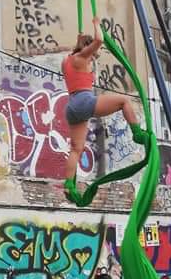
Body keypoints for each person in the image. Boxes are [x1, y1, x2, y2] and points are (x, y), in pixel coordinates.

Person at [62, 17, 148, 192]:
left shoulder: (67, 61)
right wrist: (96, 24)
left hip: (71, 107)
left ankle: (69, 184)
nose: (93, 58)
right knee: (124, 101)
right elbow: (99, 40)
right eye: (93, 55)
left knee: (76, 149)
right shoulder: (82, 57)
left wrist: (79, 42)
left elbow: (79, 53)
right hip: (84, 101)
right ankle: (137, 134)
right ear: (87, 49)